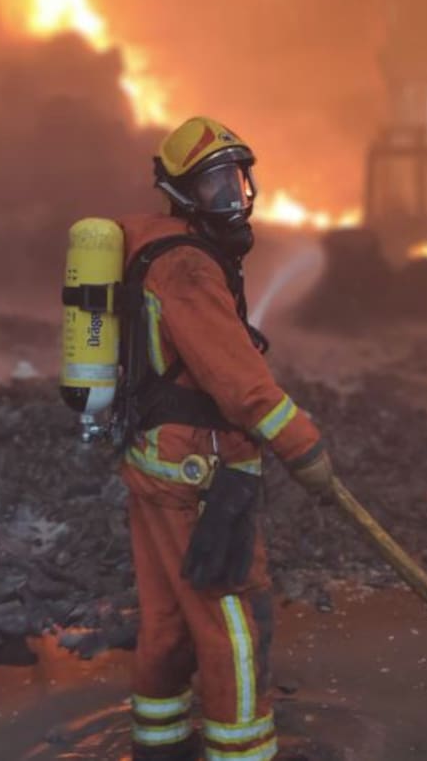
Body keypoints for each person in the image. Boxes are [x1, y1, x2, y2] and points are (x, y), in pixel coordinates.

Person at [118, 116, 333, 761]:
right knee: (231, 619)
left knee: (166, 617)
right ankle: (243, 753)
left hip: (154, 462)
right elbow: (240, 384)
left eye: (237, 182)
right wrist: (306, 450)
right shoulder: (186, 268)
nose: (233, 200)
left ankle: (157, 743)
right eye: (214, 187)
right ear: (182, 195)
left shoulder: (154, 248)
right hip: (197, 475)